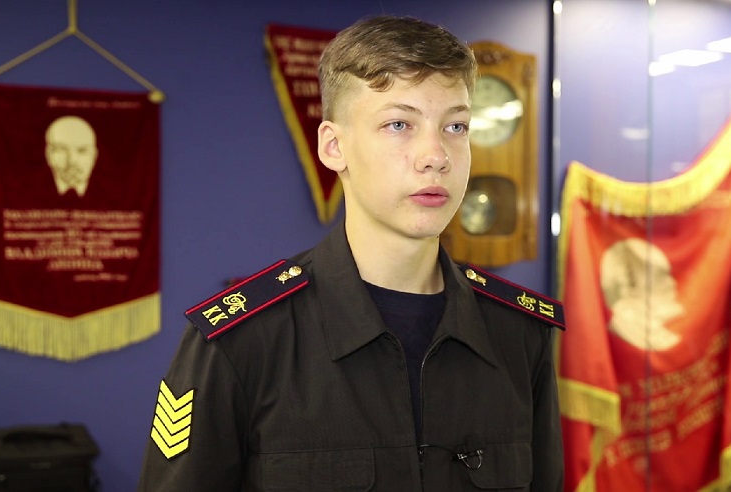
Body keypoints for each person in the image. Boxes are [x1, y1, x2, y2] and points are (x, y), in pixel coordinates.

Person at [138, 15, 565, 491]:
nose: (436, 156)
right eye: (399, 124)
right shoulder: (243, 341)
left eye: (456, 126)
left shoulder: (518, 334)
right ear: (334, 146)